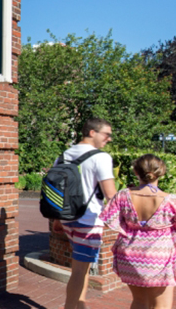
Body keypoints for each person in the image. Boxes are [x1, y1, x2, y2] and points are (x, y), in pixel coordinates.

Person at [99, 154, 176, 309]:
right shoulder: (169, 200)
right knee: (161, 306)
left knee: (139, 302)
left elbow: (108, 219)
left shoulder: (123, 195)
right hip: (159, 259)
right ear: (161, 173)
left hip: (129, 256)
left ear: (136, 172)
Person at [55, 118, 119, 309]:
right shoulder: (101, 157)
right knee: (79, 271)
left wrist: (57, 219)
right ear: (92, 132)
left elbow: (57, 190)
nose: (109, 139)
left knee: (82, 270)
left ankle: (80, 306)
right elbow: (111, 195)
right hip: (89, 222)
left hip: (67, 219)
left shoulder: (64, 155)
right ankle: (69, 307)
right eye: (107, 134)